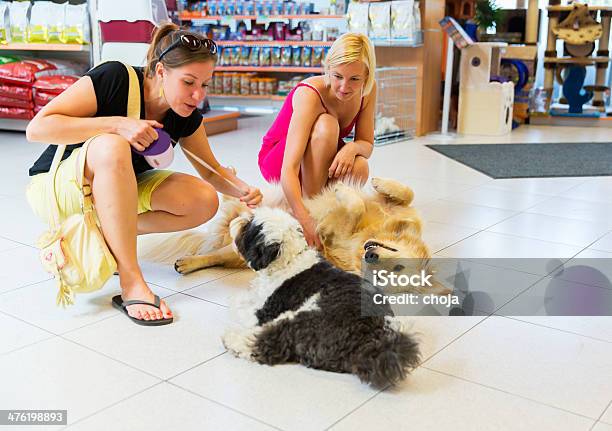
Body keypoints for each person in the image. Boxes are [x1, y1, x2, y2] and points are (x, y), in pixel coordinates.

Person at [25, 23, 262, 325]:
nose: (197, 95)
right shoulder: (115, 77)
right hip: (61, 185)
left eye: (205, 84)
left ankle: (108, 236)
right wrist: (118, 125)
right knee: (112, 146)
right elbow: (38, 128)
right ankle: (131, 279)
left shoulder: (185, 116)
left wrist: (244, 190)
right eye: (189, 82)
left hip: (115, 194)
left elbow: (212, 171)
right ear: (161, 71)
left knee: (203, 199)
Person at [258, 32, 377, 249]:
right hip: (279, 157)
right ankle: (310, 211)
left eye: (355, 79)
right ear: (328, 68)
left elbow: (367, 144)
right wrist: (303, 217)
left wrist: (351, 148)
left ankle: (326, 218)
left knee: (360, 166)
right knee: (328, 124)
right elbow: (289, 168)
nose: (344, 86)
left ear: (367, 77)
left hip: (320, 151)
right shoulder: (309, 94)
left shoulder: (368, 91)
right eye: (337, 76)